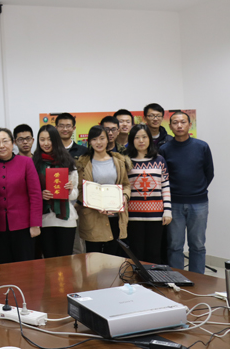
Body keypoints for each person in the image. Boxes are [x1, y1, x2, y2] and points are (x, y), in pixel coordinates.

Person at [160, 111, 214, 274]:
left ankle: (198, 279)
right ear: (170, 127)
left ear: (190, 125)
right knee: (175, 245)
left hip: (199, 203)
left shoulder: (202, 146)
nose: (179, 125)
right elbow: (163, 177)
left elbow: (209, 172)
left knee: (197, 245)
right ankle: (177, 279)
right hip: (173, 203)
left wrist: (196, 190)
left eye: (183, 122)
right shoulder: (164, 149)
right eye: (175, 122)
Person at [0, 128, 42, 263]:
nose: (1, 146)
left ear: (12, 143)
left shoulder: (26, 162)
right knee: (1, 266)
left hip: (23, 226)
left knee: (25, 266)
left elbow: (35, 194)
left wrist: (35, 224)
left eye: (5, 141)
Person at [76, 125, 131, 255]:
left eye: (102, 138)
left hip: (115, 216)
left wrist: (124, 197)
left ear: (108, 140)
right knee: (93, 257)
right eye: (94, 139)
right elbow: (80, 190)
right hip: (93, 217)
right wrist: (94, 203)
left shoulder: (119, 161)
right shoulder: (83, 163)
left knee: (113, 258)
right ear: (89, 142)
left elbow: (126, 185)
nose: (98, 142)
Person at [126, 124, 172, 264]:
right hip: (133, 215)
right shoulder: (126, 161)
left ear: (150, 139)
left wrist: (167, 211)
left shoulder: (159, 160)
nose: (141, 141)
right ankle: (137, 278)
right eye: (137, 137)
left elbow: (165, 186)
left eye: (144, 137)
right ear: (132, 140)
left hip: (156, 215)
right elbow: (123, 186)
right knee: (136, 253)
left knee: (154, 253)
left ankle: (153, 278)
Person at [32, 125, 79, 258]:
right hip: (44, 219)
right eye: (42, 140)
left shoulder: (68, 162)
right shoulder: (34, 163)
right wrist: (40, 195)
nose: (46, 143)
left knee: (65, 260)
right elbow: (29, 192)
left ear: (56, 140)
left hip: (66, 219)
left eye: (50, 139)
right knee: (49, 261)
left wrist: (70, 190)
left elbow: (75, 194)